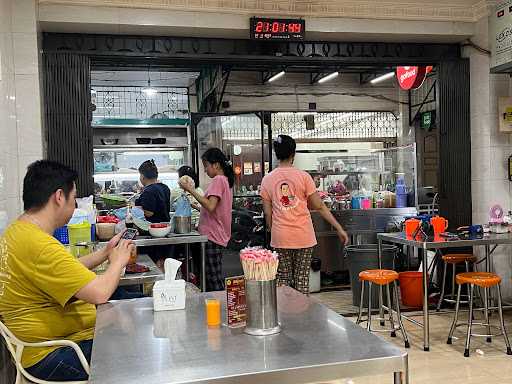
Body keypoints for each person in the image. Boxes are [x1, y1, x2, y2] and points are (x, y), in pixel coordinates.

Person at [0, 160, 134, 382]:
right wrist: (118, 261)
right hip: (52, 355)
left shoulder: (18, 232)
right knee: (136, 351)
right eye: (74, 200)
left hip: (43, 349)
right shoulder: (39, 244)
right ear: (59, 197)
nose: (74, 208)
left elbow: (67, 274)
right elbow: (100, 292)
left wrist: (105, 253)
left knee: (128, 308)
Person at [261, 135, 349, 294]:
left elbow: (268, 214)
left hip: (281, 237)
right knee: (301, 280)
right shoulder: (304, 177)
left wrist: (275, 231)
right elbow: (320, 206)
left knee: (282, 279)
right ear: (293, 154)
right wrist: (339, 228)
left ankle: (284, 317)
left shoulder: (267, 180)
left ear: (276, 154)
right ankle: (301, 317)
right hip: (303, 236)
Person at [179, 148, 234, 291]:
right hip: (216, 234)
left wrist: (190, 189)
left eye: (206, 166)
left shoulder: (218, 180)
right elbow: (215, 210)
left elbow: (210, 206)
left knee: (213, 278)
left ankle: (220, 308)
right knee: (213, 275)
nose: (205, 170)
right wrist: (197, 207)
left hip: (213, 236)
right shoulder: (225, 180)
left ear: (216, 165)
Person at [135, 159, 171, 224]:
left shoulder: (148, 191)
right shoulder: (165, 187)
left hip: (154, 227)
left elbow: (149, 213)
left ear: (142, 176)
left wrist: (134, 208)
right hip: (165, 225)